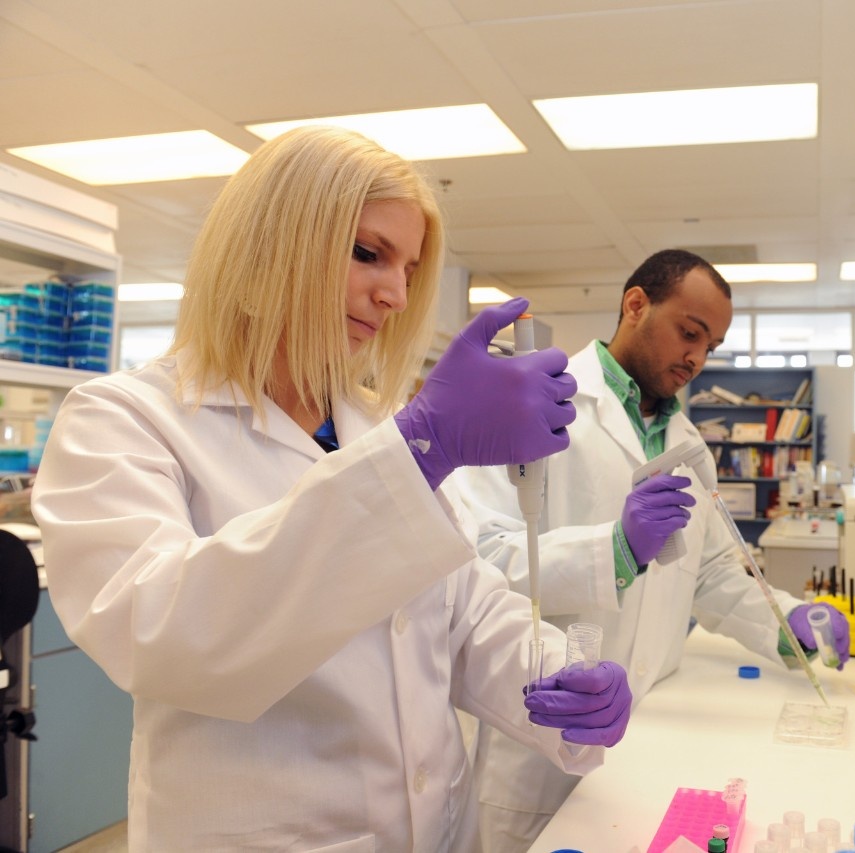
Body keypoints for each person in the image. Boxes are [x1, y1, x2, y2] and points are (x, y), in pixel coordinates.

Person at [30, 125, 633, 851]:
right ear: (268, 242)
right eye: (367, 253)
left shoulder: (375, 428)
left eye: (409, 268)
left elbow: (460, 610)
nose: (395, 293)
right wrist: (419, 452)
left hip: (439, 828)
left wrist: (561, 677)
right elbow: (161, 632)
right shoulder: (125, 419)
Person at [452, 248, 852, 851]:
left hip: (652, 734)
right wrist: (613, 549)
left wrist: (786, 625)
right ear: (635, 304)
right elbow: (481, 559)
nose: (696, 358)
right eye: (689, 332)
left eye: (710, 345)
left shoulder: (688, 440)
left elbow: (712, 570)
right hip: (541, 745)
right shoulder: (532, 408)